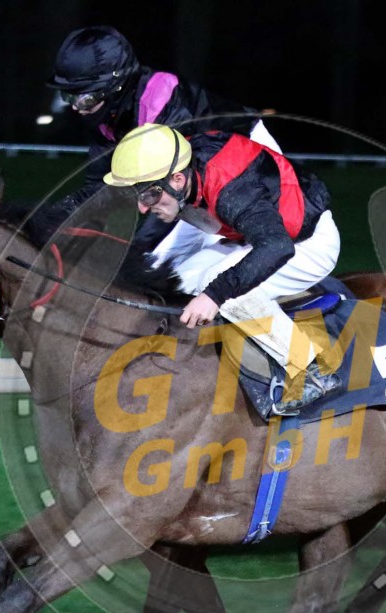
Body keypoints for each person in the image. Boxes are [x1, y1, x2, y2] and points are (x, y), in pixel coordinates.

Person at [103, 123, 342, 417]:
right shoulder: (181, 165)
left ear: (177, 179)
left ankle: (312, 370)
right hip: (258, 234)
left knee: (218, 288)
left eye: (150, 196)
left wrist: (214, 295)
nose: (142, 208)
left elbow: (276, 247)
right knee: (179, 279)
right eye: (136, 194)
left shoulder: (231, 191)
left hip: (306, 246)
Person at [44, 25, 280, 255]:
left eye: (84, 98)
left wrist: (139, 250)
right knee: (158, 261)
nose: (75, 107)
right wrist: (56, 218)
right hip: (192, 180)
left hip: (245, 158)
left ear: (114, 86)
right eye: (68, 96)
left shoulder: (161, 103)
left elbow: (166, 192)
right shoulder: (106, 113)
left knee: (214, 254)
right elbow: (100, 186)